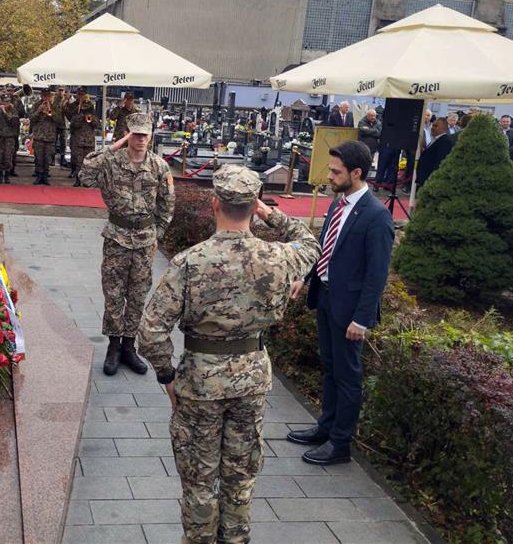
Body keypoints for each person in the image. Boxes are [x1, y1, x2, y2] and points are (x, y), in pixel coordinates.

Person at [138, 165, 319, 542]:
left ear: (214, 204)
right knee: (239, 476)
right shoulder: (279, 258)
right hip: (251, 381)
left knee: (199, 478)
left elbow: (151, 332)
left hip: (200, 383)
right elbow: (310, 243)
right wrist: (272, 214)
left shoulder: (189, 263)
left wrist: (166, 377)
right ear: (253, 207)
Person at [287, 141, 394, 465]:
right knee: (330, 367)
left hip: (350, 311)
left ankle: (340, 444)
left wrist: (361, 320)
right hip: (326, 298)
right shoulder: (338, 204)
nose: (329, 176)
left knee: (348, 376)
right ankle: (325, 427)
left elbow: (377, 275)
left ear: (356, 173)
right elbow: (324, 249)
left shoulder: (377, 217)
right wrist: (304, 279)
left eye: (335, 171)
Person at [80, 112, 175, 376]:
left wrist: (158, 234)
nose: (141, 139)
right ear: (128, 134)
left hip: (145, 240)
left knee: (137, 295)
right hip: (116, 237)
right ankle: (113, 346)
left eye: (146, 134)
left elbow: (167, 204)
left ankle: (129, 346)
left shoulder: (159, 166)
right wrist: (114, 145)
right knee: (113, 294)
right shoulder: (112, 162)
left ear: (151, 135)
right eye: (136, 133)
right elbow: (86, 173)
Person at [66, 87, 98, 186]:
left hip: (89, 140)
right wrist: (80, 113)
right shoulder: (74, 107)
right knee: (78, 162)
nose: (81, 96)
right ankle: (78, 180)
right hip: (78, 139)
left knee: (88, 163)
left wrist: (91, 119)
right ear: (76, 95)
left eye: (82, 94)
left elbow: (97, 125)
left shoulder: (91, 107)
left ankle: (87, 181)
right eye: (79, 94)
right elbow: (73, 123)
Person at [30, 88, 58, 185]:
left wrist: (51, 113)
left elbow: (59, 121)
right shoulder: (36, 105)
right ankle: (38, 176)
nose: (46, 98)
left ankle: (45, 176)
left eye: (47, 96)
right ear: (41, 96)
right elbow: (32, 119)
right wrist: (39, 111)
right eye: (44, 95)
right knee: (38, 158)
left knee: (47, 158)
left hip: (50, 137)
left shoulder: (54, 107)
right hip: (39, 136)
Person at [416, 117, 453, 187]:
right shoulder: (436, 139)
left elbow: (440, 161)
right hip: (425, 179)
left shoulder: (445, 142)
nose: (432, 128)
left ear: (444, 128)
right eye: (433, 125)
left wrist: (433, 179)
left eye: (436, 126)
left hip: (431, 181)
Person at [0, 94, 20, 184]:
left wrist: (4, 112)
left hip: (9, 137)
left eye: (8, 101)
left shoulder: (14, 111)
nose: (7, 103)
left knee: (8, 156)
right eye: (5, 101)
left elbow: (14, 123)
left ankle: (7, 176)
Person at [53, 87, 70, 168]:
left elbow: (70, 110)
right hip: (55, 124)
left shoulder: (67, 100)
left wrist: (68, 100)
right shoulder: (54, 99)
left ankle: (62, 158)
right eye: (59, 90)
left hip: (64, 124)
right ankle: (52, 158)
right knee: (53, 141)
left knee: (63, 143)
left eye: (62, 90)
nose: (60, 92)